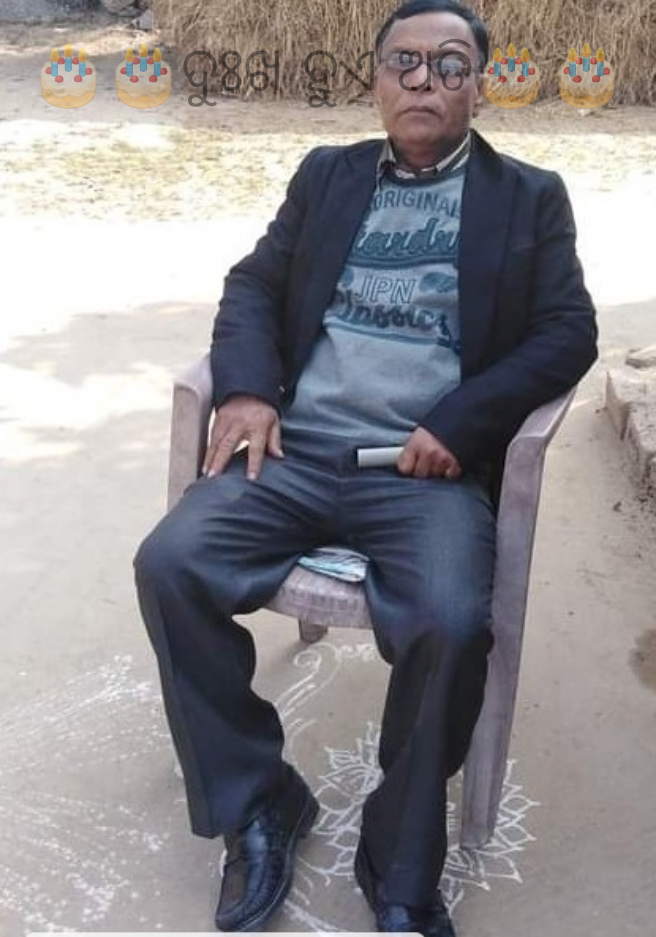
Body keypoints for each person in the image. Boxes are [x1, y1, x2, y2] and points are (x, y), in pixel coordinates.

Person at [133, 1, 598, 934]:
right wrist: (248, 390)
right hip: (294, 451)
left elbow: (568, 330)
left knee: (451, 621)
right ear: (377, 80)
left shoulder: (528, 196)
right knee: (170, 563)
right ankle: (260, 798)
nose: (424, 80)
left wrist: (461, 421)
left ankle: (398, 858)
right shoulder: (328, 174)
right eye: (404, 62)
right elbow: (254, 284)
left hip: (421, 474)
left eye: (450, 65)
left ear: (479, 86)